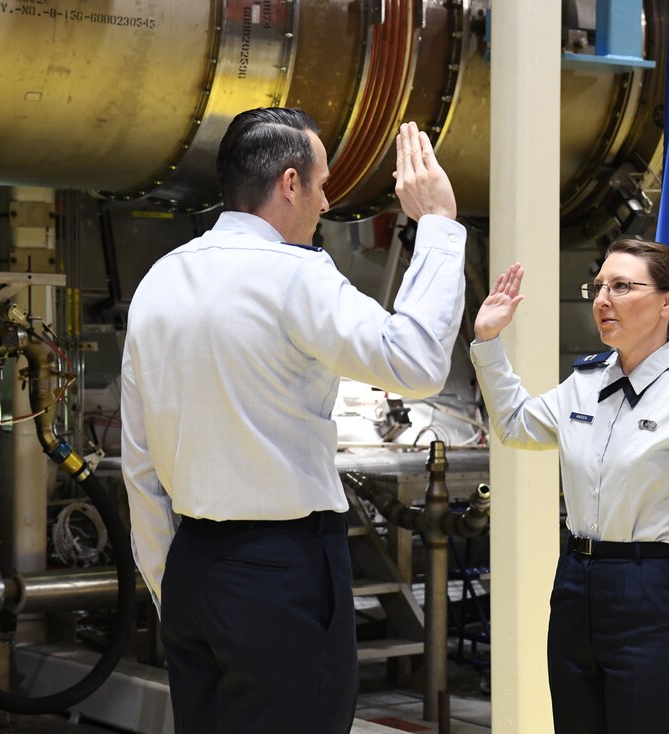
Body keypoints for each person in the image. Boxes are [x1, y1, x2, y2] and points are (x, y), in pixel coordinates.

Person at [120, 107, 465, 734]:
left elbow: (138, 462)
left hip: (191, 572)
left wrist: (170, 584)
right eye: (324, 184)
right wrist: (438, 226)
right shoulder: (294, 275)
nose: (326, 200)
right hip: (278, 574)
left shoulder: (158, 281)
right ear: (289, 183)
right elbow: (415, 361)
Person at [470, 238, 669, 733]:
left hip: (653, 590)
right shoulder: (585, 383)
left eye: (622, 286)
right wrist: (488, 344)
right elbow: (514, 424)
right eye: (598, 287)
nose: (602, 300)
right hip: (576, 583)